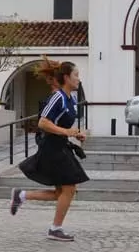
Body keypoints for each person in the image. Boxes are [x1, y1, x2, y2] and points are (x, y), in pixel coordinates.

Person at [8, 58, 89, 242]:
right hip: (52, 148)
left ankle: (21, 195)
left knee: (61, 192)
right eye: (76, 75)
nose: (78, 79)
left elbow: (60, 124)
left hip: (60, 146)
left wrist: (75, 134)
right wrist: (66, 132)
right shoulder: (57, 97)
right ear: (66, 77)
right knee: (69, 188)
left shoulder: (70, 99)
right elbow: (43, 122)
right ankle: (55, 228)